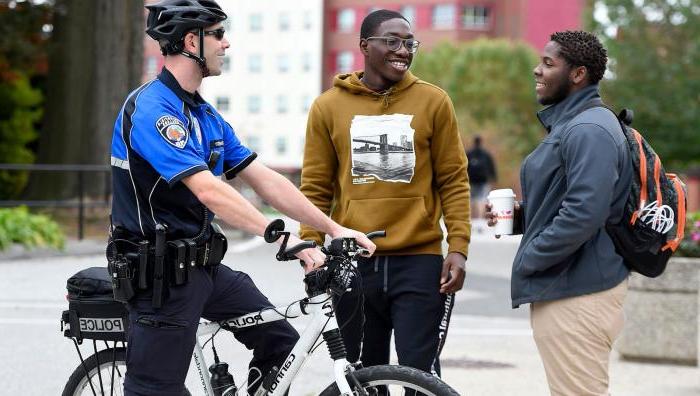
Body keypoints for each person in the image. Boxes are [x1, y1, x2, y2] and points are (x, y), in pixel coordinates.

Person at [109, 1, 375, 395]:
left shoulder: (204, 116)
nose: (226, 44)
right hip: (159, 278)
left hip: (205, 269)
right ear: (190, 40)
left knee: (282, 344)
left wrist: (332, 227)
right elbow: (208, 189)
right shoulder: (153, 110)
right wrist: (282, 237)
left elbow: (264, 178)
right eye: (218, 34)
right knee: (156, 389)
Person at [299, 9, 470, 380]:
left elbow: (454, 179)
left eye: (409, 43)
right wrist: (309, 243)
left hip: (420, 263)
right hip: (354, 262)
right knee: (361, 377)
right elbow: (315, 185)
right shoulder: (328, 107)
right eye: (392, 41)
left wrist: (458, 246)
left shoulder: (434, 101)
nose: (403, 50)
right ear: (364, 46)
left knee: (420, 377)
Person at [487, 31, 632, 395]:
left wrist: (531, 258)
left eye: (548, 63)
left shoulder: (588, 129)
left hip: (578, 294)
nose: (537, 70)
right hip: (571, 288)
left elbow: (585, 212)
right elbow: (570, 200)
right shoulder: (576, 124)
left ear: (578, 74)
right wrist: (521, 218)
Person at [466, 135, 497, 219]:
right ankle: (480, 219)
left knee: (471, 200)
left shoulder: (468, 153)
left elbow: (464, 166)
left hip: (471, 181)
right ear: (481, 142)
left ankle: (471, 219)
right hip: (483, 181)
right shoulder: (486, 154)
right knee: (482, 200)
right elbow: (491, 166)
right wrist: (494, 178)